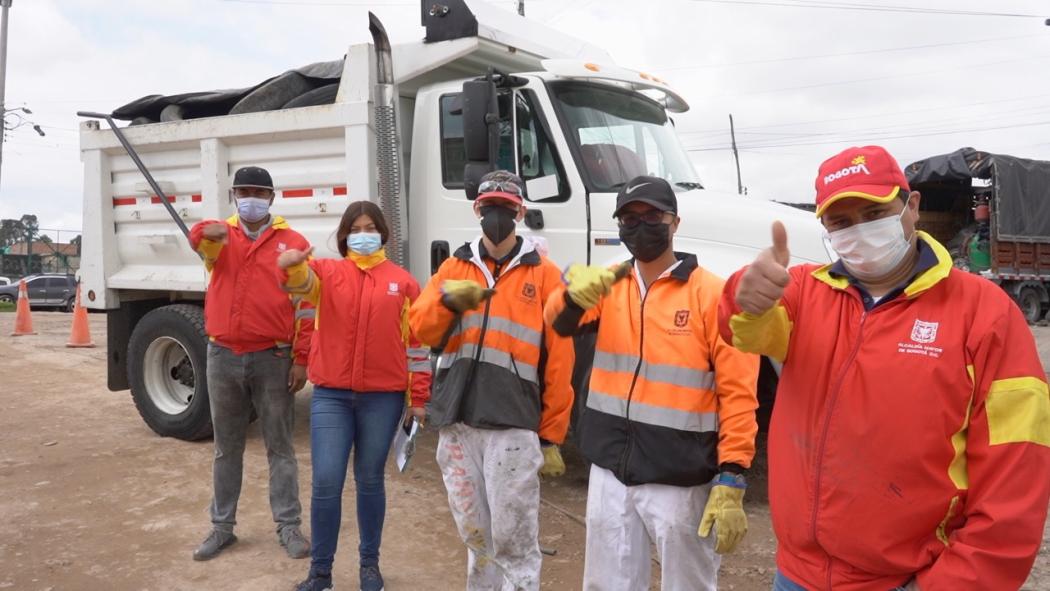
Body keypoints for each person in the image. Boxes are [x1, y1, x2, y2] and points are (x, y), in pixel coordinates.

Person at [720, 145, 1050, 591]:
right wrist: (745, 292)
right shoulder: (801, 293)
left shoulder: (985, 314)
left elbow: (1017, 478)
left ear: (911, 206)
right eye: (841, 222)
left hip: (907, 581)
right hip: (795, 576)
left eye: (874, 212)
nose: (860, 231)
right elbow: (745, 330)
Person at [544, 175, 760, 591]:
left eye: (651, 216)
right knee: (608, 585)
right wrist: (570, 296)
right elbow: (560, 324)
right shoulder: (608, 284)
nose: (640, 226)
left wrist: (733, 475)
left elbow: (738, 392)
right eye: (628, 218)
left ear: (674, 222)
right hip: (611, 471)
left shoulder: (711, 295)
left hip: (679, 478)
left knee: (689, 584)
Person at [408, 170, 575, 591]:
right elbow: (421, 330)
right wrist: (446, 302)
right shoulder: (453, 267)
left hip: (512, 426)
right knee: (477, 539)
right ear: (477, 210)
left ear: (520, 212)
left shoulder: (546, 276)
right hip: (458, 422)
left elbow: (560, 361)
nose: (497, 215)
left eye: (506, 207)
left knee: (514, 541)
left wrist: (552, 433)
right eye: (489, 207)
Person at [277, 201, 431, 591]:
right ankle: (321, 573)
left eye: (371, 227)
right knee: (326, 480)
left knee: (369, 480)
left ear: (383, 233)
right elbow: (298, 283)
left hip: (383, 398)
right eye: (356, 228)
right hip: (331, 396)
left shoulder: (404, 283)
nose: (364, 234)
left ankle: (369, 567)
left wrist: (418, 398)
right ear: (345, 236)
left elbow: (417, 346)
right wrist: (292, 263)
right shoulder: (326, 273)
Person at [188, 165, 313, 562]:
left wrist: (302, 359)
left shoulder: (292, 242)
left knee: (281, 448)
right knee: (227, 449)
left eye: (260, 192)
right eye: (244, 191)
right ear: (234, 195)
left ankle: (289, 526)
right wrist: (207, 233)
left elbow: (306, 305)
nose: (252, 198)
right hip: (222, 355)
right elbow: (199, 241)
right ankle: (222, 528)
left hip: (274, 357)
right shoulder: (220, 237)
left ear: (272, 199)